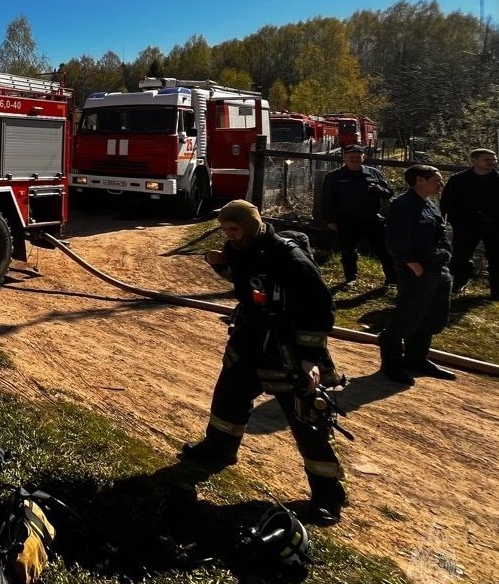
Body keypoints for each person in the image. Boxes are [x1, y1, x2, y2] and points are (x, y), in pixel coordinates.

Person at [180, 200, 347, 523]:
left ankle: (329, 494)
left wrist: (309, 358)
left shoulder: (290, 259)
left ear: (252, 224)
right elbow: (249, 283)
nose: (230, 235)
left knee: (306, 420)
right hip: (250, 339)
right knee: (229, 396)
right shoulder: (240, 248)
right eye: (225, 230)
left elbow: (319, 308)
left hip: (288, 349)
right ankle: (218, 450)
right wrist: (221, 265)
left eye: (234, 228)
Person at [379, 165, 455, 383]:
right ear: (420, 180)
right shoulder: (403, 205)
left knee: (433, 317)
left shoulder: (429, 204)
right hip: (418, 271)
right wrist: (412, 264)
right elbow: (395, 239)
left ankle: (416, 358)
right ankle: (391, 365)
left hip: (438, 268)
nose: (440, 184)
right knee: (407, 317)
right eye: (436, 179)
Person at [318, 145, 396, 287]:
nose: (354, 159)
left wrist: (377, 189)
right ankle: (351, 278)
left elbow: (389, 192)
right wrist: (329, 220)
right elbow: (327, 200)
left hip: (371, 218)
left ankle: (391, 279)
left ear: (363, 157)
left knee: (383, 249)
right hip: (347, 219)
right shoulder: (334, 177)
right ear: (344, 158)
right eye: (351, 157)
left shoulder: (374, 174)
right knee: (348, 251)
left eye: (357, 156)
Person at [440, 148, 499, 299]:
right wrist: (449, 221)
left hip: (494, 225)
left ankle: (496, 292)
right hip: (466, 225)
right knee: (461, 256)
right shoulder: (458, 179)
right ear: (474, 161)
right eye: (487, 160)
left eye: (494, 160)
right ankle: (458, 285)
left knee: (496, 257)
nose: (492, 163)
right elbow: (446, 202)